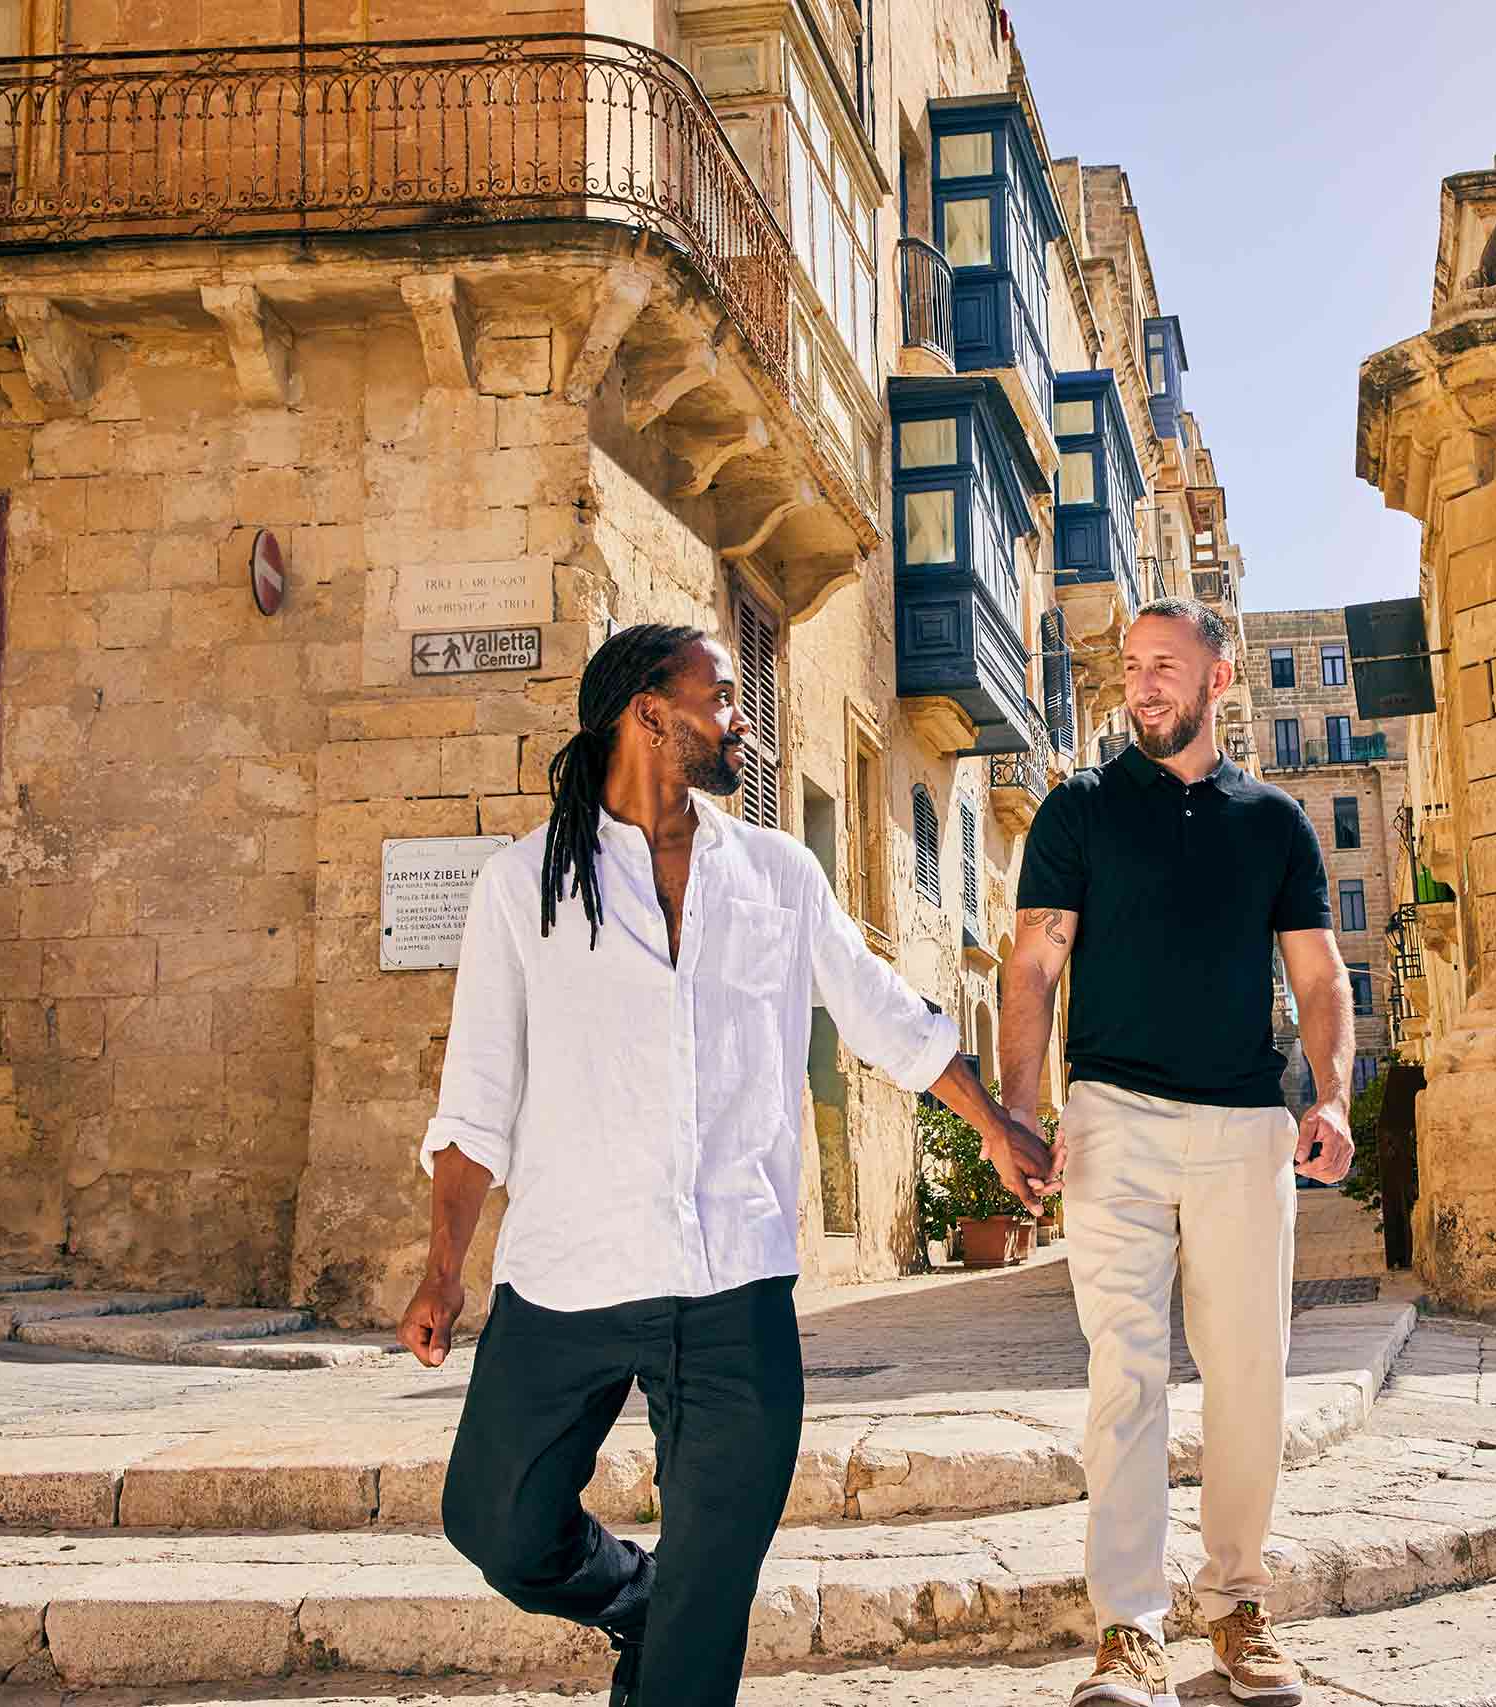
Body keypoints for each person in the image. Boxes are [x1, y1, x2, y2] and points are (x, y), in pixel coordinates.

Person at [397, 623, 1053, 1707]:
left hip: (732, 1285)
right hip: (568, 1277)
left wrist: (989, 1122)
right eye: (722, 699)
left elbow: (884, 1014)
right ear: (649, 713)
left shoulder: (776, 873)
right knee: (498, 1524)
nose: (741, 722)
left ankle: (676, 1629)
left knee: (709, 1614)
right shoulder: (524, 887)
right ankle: (635, 1599)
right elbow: (476, 1100)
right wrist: (440, 1267)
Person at [1000, 599, 1356, 1707]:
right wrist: (1019, 1110)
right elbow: (1030, 970)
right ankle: (1127, 1631)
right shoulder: (1077, 810)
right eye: (1132, 666)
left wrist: (1333, 1097)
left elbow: (1318, 975)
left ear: (1219, 676)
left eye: (1166, 664)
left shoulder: (1275, 824)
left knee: (1249, 1372)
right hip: (1111, 1119)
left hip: (1244, 1126)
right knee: (1125, 1374)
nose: (1143, 682)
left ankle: (1238, 1605)